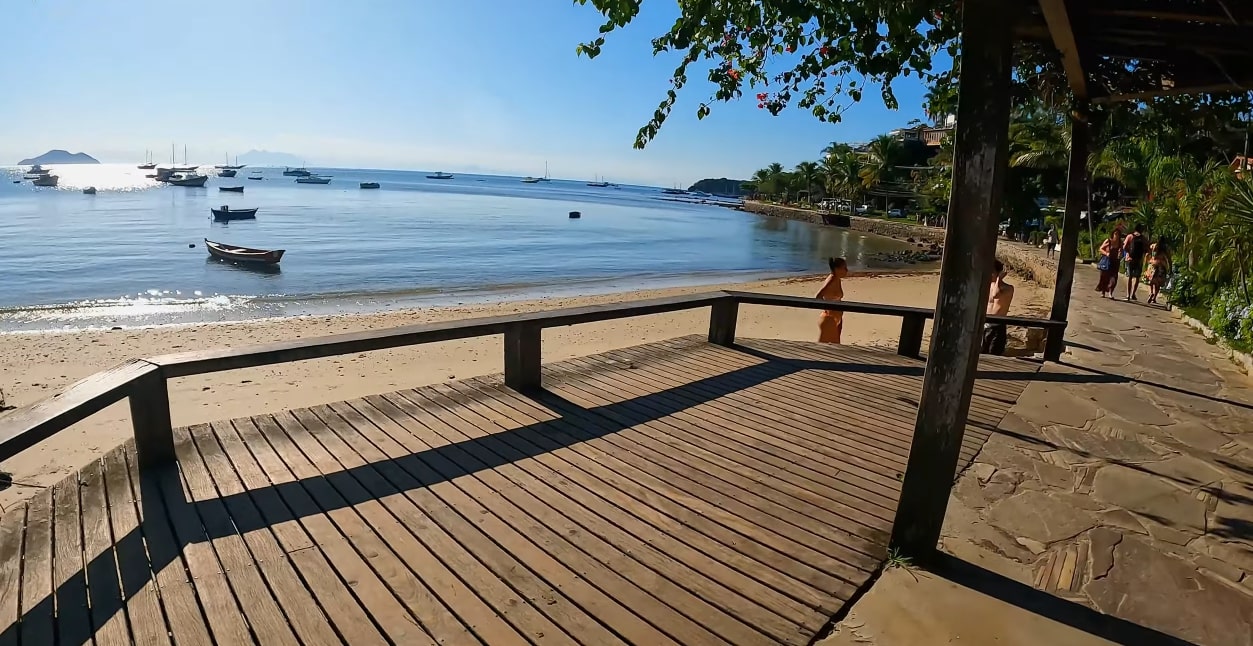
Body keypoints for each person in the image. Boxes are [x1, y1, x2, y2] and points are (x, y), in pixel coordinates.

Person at [982, 260, 1015, 355]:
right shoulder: (988, 285)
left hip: (998, 325)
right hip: (986, 323)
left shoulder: (1008, 288)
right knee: (982, 352)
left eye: (991, 271)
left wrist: (998, 279)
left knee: (993, 352)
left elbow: (996, 295)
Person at [816, 257, 848, 343]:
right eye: (844, 268)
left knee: (835, 347)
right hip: (829, 319)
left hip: (837, 318)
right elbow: (819, 296)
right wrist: (827, 309)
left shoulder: (837, 279)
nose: (847, 270)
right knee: (824, 349)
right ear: (837, 269)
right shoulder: (832, 279)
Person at [1123, 223, 1149, 301]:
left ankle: (1128, 295)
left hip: (1130, 259)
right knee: (1137, 277)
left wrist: (1128, 254)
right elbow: (1147, 249)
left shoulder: (1130, 236)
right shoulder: (1143, 238)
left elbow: (1124, 247)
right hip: (1139, 259)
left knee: (1130, 277)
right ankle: (1133, 294)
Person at [1095, 230, 1123, 298]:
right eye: (1115, 234)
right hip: (1107, 261)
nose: (1117, 235)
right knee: (1104, 277)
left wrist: (1120, 254)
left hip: (1115, 262)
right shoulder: (1108, 241)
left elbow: (1121, 251)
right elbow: (1101, 249)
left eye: (1118, 234)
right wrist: (1106, 253)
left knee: (1114, 278)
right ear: (1112, 234)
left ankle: (1110, 293)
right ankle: (1103, 292)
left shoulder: (1120, 243)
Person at [1146, 237, 1171, 305]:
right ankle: (1154, 298)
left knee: (1151, 281)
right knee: (1158, 283)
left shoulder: (1154, 246)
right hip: (1162, 266)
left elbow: (1148, 253)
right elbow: (1169, 259)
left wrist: (1148, 260)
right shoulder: (1166, 249)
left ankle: (1151, 292)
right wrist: (1170, 268)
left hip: (1153, 265)